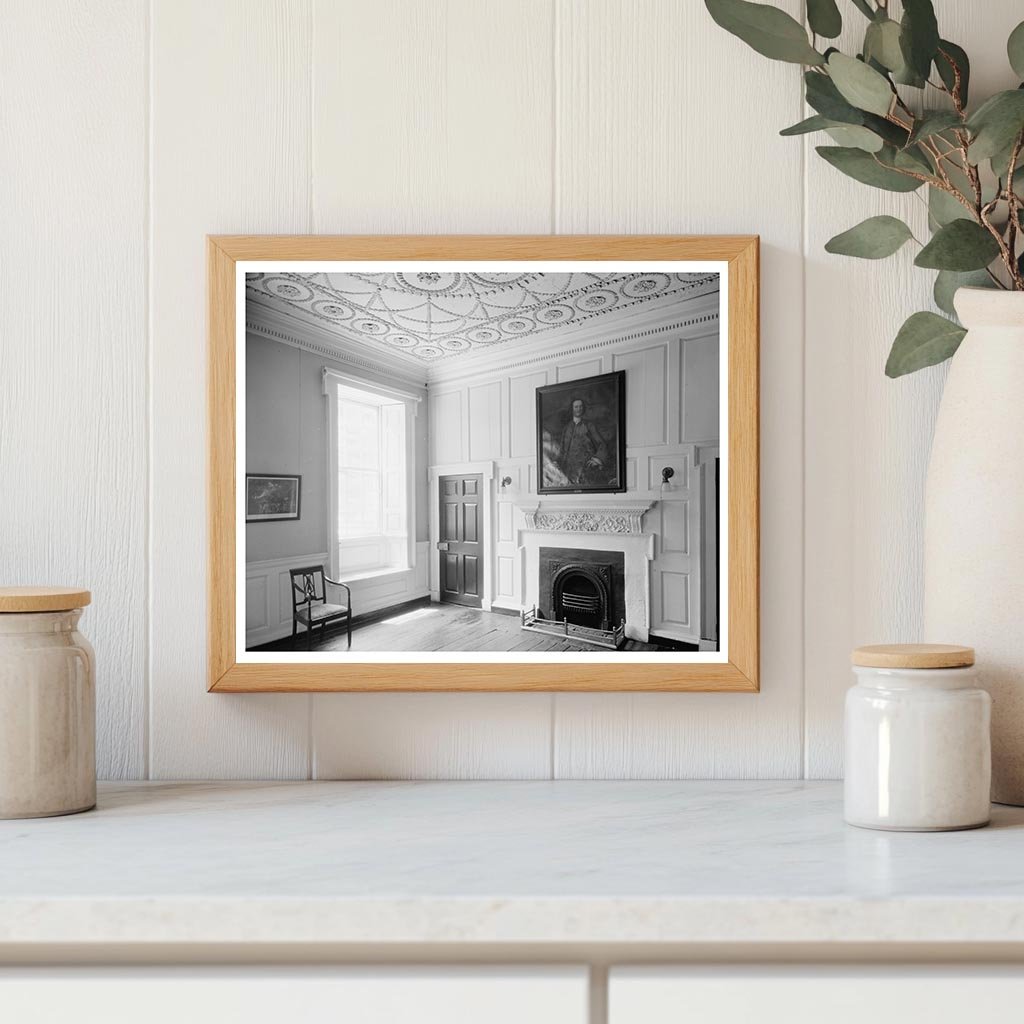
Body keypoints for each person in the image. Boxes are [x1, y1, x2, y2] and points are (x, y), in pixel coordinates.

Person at [559, 398, 609, 486]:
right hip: (568, 472)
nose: (579, 409)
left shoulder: (589, 426)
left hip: (585, 470)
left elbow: (602, 444)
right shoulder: (566, 428)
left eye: (581, 407)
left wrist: (597, 459)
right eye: (576, 407)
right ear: (572, 409)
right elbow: (562, 450)